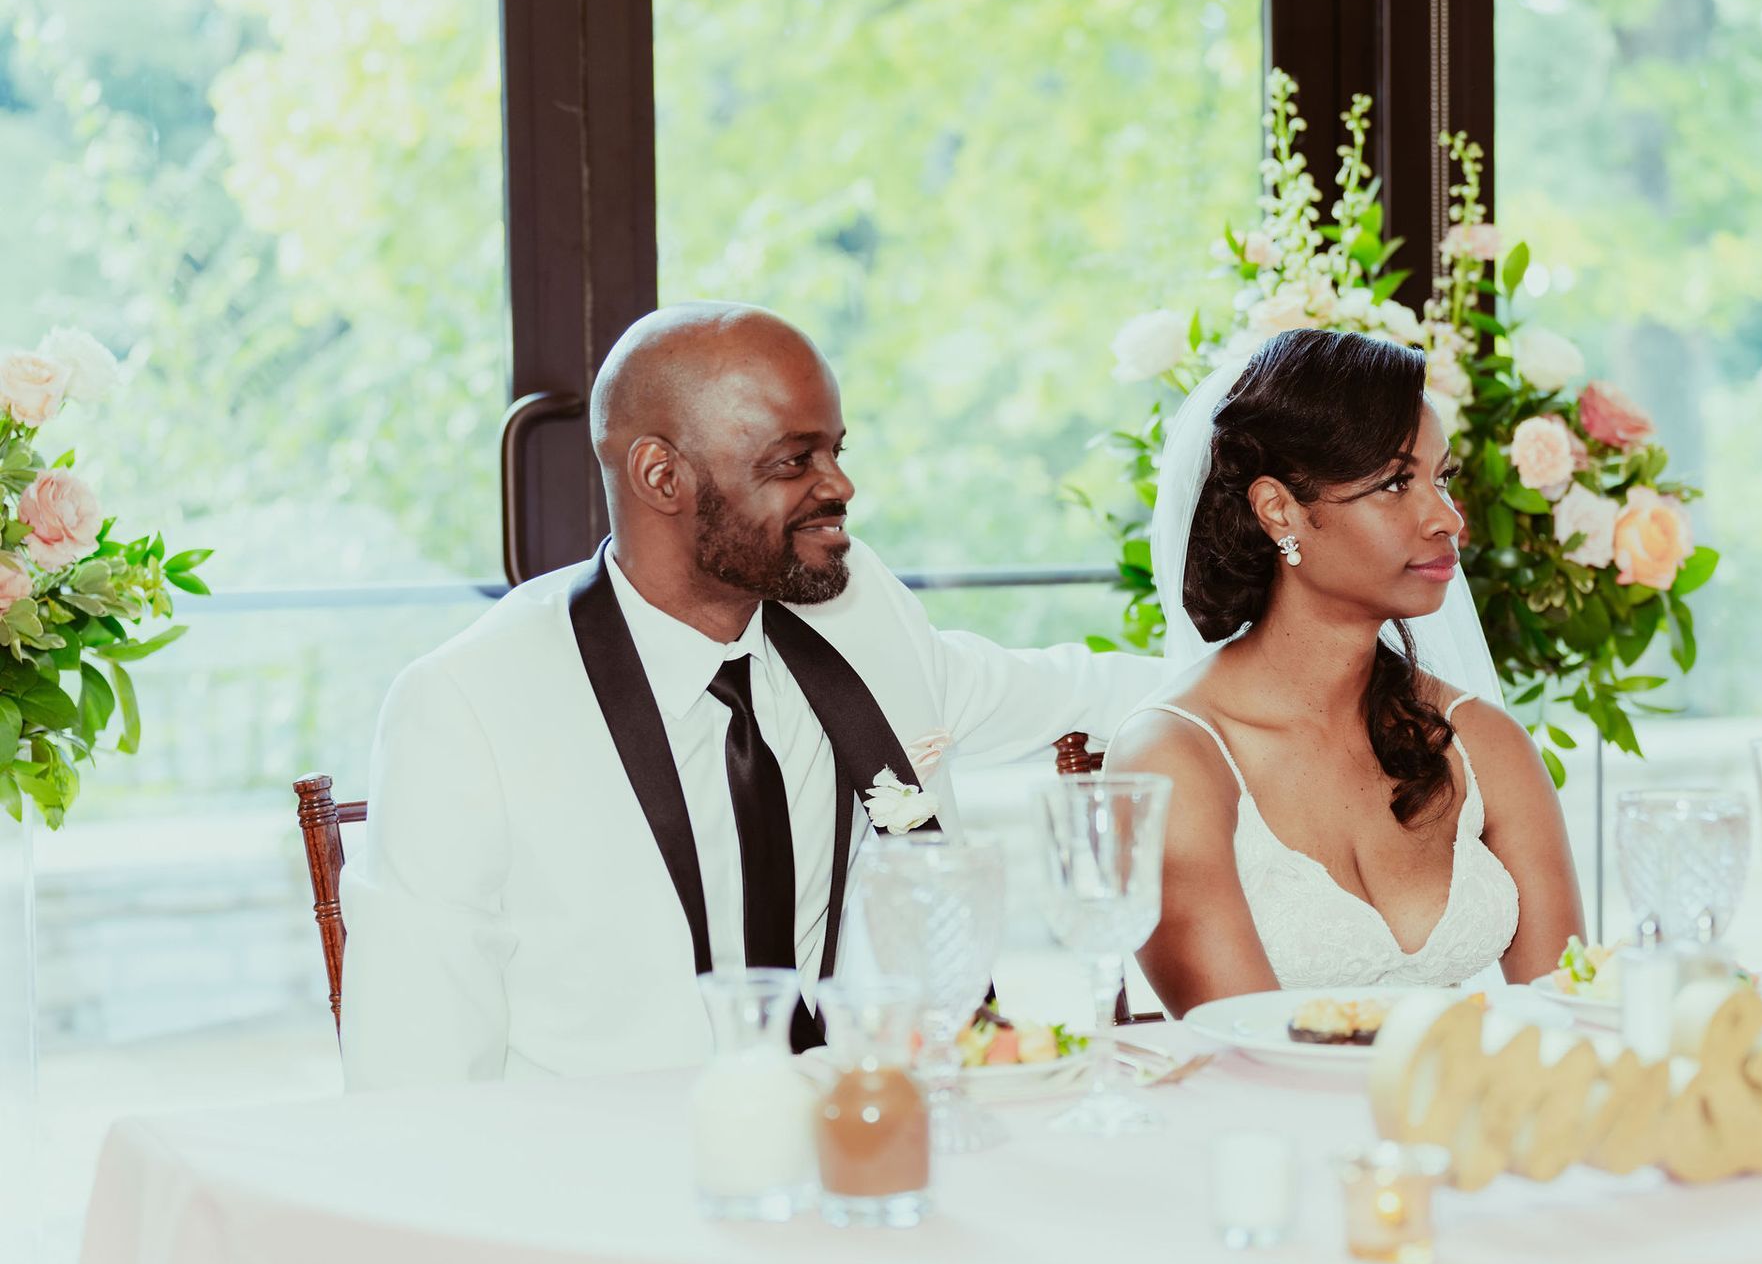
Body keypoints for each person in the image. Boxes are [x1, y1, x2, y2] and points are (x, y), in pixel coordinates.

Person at [339, 302, 1160, 1088]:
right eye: (792, 460)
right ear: (661, 475)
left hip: (870, 1147)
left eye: (837, 450)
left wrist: (1258, 681)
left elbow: (1068, 689)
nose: (839, 486)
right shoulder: (467, 706)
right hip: (606, 1184)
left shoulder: (856, 609)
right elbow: (414, 1075)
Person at [1104, 328, 1583, 1016]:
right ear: (1280, 511)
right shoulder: (1175, 760)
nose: (1449, 519)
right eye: (1395, 483)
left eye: (1441, 478)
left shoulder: (1482, 742)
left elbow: (1566, 1014)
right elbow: (1242, 1042)